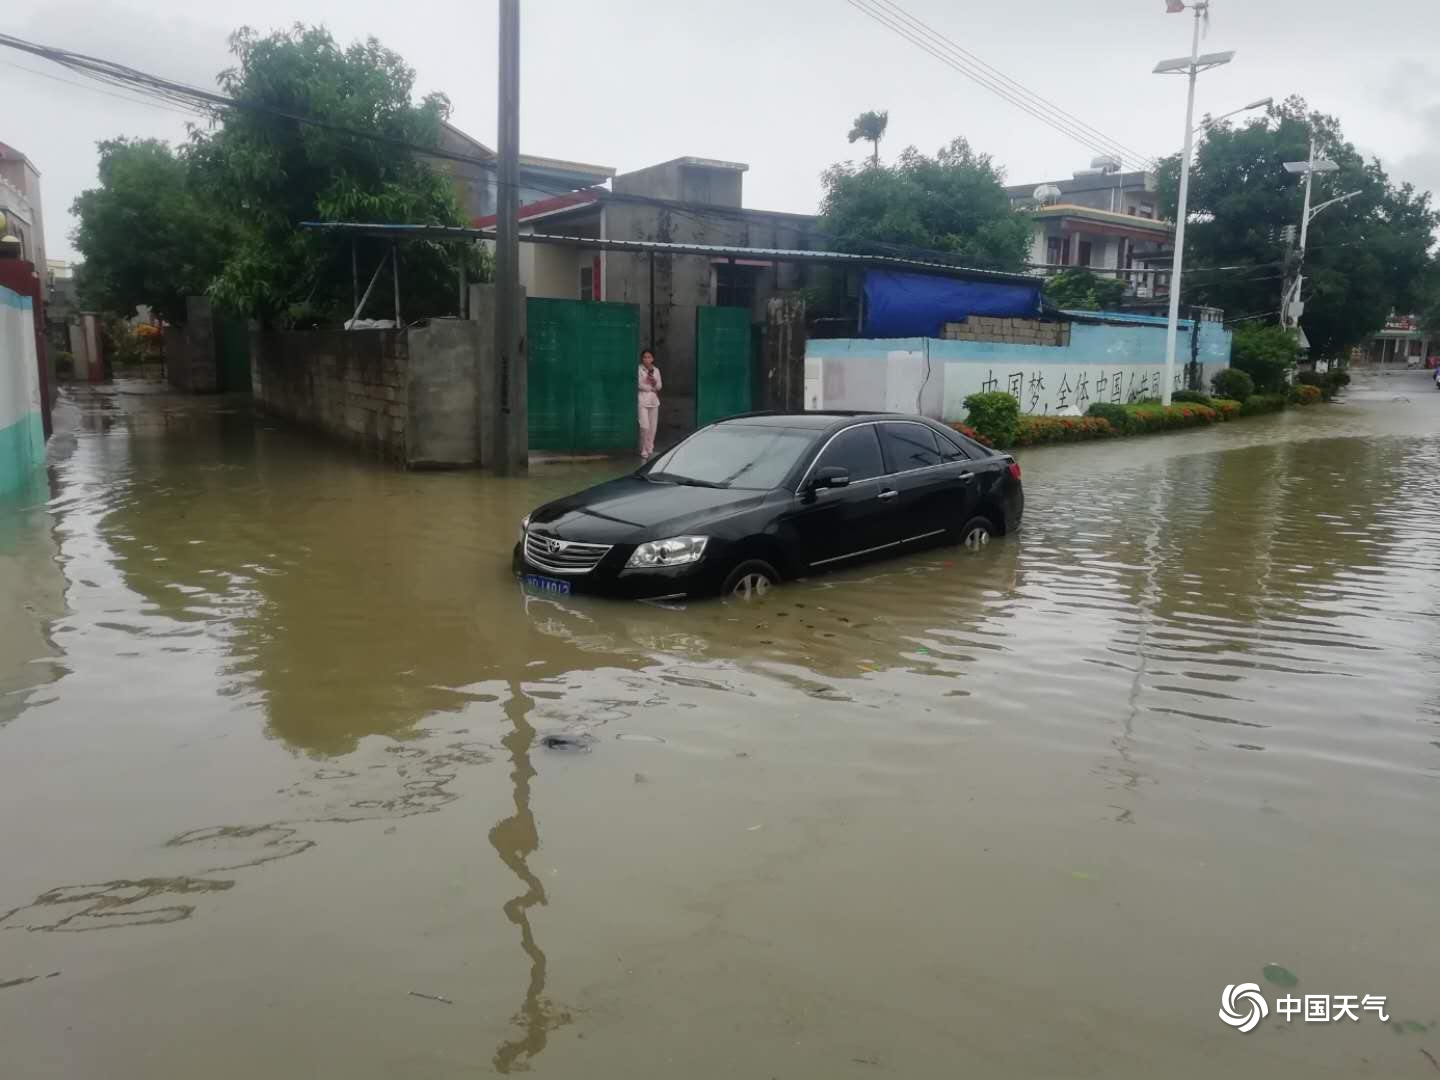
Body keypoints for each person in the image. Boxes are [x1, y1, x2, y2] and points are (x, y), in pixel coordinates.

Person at [637, 348, 662, 461]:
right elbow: (639, 385)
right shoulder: (639, 369)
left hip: (654, 400)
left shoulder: (656, 370)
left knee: (653, 427)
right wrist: (649, 385)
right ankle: (643, 448)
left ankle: (650, 448)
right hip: (642, 399)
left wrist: (654, 382)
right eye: (645, 357)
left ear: (653, 359)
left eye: (649, 357)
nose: (647, 359)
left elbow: (659, 387)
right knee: (644, 426)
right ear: (642, 358)